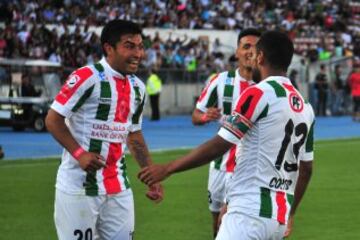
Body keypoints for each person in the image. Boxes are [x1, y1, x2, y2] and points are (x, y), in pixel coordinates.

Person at [138, 31, 314, 240]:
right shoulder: (305, 106)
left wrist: (168, 168)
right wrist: (291, 213)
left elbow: (220, 145)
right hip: (278, 216)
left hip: (249, 213)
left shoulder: (258, 93)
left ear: (260, 57)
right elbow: (306, 169)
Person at [45, 20, 163, 240]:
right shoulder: (87, 77)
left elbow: (133, 134)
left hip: (118, 187)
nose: (138, 53)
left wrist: (151, 176)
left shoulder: (138, 87)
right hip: (79, 188)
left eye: (140, 46)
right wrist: (80, 154)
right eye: (130, 46)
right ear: (109, 48)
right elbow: (53, 119)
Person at [192, 28, 261, 238]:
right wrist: (204, 117)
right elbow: (196, 114)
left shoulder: (266, 85)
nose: (251, 51)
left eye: (256, 47)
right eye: (246, 46)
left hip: (249, 167)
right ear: (237, 52)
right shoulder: (220, 80)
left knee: (234, 220)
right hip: (219, 164)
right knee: (217, 220)